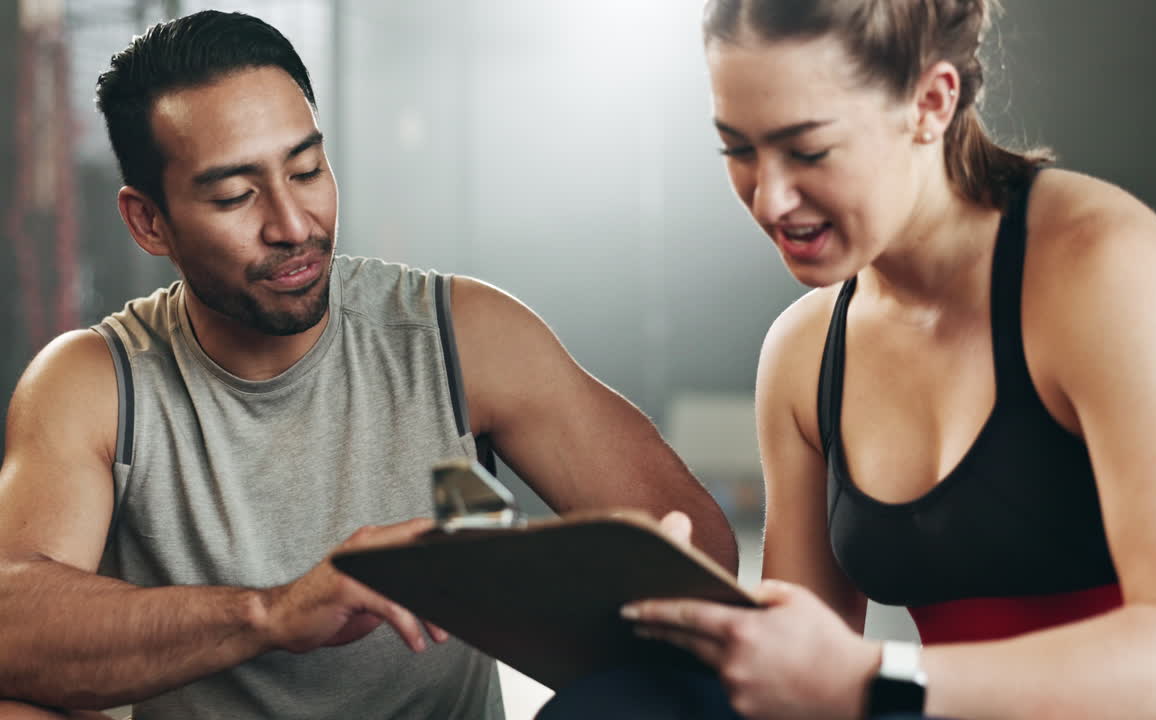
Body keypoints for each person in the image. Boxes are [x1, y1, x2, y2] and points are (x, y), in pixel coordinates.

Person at [0, 10, 738, 720]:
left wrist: (518, 578)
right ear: (148, 221)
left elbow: (702, 550)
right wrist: (274, 613)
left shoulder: (459, 333)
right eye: (234, 195)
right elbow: (9, 624)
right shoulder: (93, 381)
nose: (294, 226)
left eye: (308, 168)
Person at [549, 0, 1156, 718]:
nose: (769, 197)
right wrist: (673, 615)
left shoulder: (1102, 269)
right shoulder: (804, 353)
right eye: (738, 148)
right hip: (924, 707)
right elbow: (796, 681)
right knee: (611, 706)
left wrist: (881, 678)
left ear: (931, 102)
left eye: (807, 150)